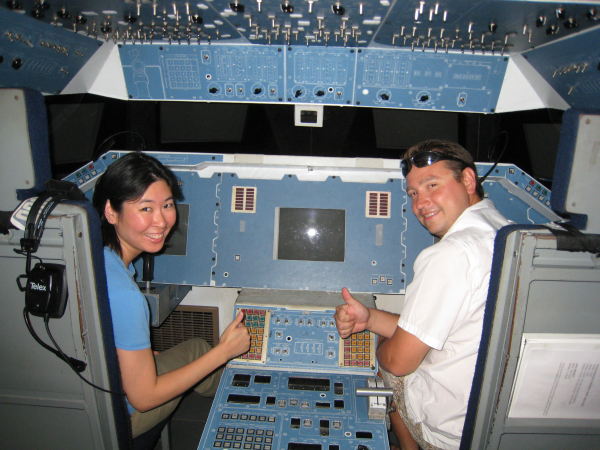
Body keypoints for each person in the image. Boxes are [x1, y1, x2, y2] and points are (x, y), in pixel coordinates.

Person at [334, 140, 510, 450]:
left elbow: (399, 362)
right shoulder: (506, 232)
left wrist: (379, 348)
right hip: (494, 419)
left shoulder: (451, 254)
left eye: (432, 185)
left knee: (386, 361)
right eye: (414, 193)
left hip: (451, 433)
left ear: (468, 181)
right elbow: (444, 325)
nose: (421, 203)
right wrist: (371, 317)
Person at [92, 151, 250, 439]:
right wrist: (224, 352)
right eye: (145, 209)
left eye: (167, 205)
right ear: (111, 212)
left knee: (194, 350)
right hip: (116, 420)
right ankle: (245, 404)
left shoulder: (96, 260)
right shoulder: (126, 297)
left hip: (93, 393)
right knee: (206, 352)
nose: (162, 221)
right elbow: (145, 398)